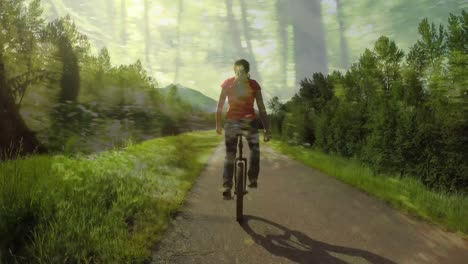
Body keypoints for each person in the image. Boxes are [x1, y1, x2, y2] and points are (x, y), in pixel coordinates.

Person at [216, 59, 271, 199]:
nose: (239, 73)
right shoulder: (250, 84)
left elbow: (220, 106)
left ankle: (228, 185)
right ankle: (250, 179)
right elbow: (261, 108)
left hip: (236, 122)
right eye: (238, 71)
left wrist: (219, 124)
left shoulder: (230, 83)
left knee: (231, 154)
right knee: (253, 149)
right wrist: (266, 129)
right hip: (245, 122)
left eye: (241, 71)